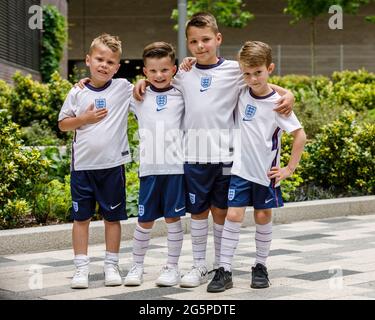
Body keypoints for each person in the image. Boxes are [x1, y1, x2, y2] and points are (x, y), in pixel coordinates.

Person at [134, 12, 295, 289]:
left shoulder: (234, 70)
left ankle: (223, 267)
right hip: (194, 155)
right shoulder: (183, 73)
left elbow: (261, 83)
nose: (200, 46)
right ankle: (199, 264)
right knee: (197, 212)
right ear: (187, 44)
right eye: (194, 41)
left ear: (218, 39)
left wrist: (288, 93)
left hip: (227, 156)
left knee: (221, 211)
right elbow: (159, 82)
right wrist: (142, 83)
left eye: (206, 39)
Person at [206, 40, 306, 293]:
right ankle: (224, 270)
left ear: (269, 68)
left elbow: (300, 136)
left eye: (258, 72)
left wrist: (289, 169)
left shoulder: (278, 104)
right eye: (247, 74)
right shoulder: (241, 93)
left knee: (262, 216)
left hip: (265, 173)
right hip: (240, 170)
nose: (252, 78)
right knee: (233, 215)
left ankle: (260, 266)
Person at [58, 33, 133, 289]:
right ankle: (81, 268)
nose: (104, 65)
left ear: (117, 67)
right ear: (88, 60)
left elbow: (154, 84)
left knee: (113, 219)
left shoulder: (123, 88)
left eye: (110, 62)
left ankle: (111, 265)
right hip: (83, 168)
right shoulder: (77, 92)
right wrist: (84, 119)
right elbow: (63, 124)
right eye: (99, 59)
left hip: (112, 166)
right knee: (81, 219)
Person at [123, 42, 186, 287]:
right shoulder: (137, 95)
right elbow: (106, 90)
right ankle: (136, 266)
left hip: (175, 169)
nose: (159, 75)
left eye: (164, 70)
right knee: (144, 220)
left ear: (174, 69)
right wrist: (82, 83)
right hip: (149, 170)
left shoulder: (182, 93)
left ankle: (172, 267)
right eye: (153, 71)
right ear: (144, 72)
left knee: (173, 219)